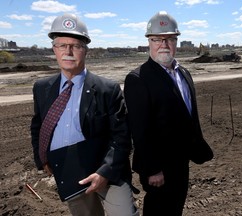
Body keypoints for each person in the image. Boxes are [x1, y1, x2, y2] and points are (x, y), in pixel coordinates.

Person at [30, 13, 138, 216]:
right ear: (54, 49)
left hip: (109, 171)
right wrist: (42, 158)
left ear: (85, 50)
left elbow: (122, 136)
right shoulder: (42, 88)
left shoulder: (108, 89)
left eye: (76, 46)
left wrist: (103, 172)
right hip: (71, 173)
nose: (68, 52)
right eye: (62, 45)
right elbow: (38, 126)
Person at [124, 11, 213, 216]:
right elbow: (140, 130)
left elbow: (189, 115)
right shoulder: (138, 79)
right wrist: (153, 169)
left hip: (181, 161)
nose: (164, 44)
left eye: (170, 39)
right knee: (159, 210)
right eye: (157, 39)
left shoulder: (184, 73)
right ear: (149, 41)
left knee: (175, 209)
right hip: (159, 168)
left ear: (176, 41)